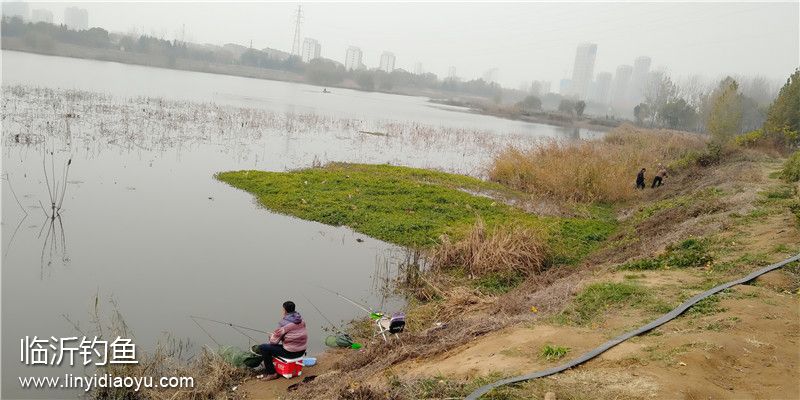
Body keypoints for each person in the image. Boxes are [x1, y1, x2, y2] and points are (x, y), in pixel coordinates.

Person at [255, 301, 308, 381]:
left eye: (283, 309)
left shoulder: (284, 324)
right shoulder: (301, 320)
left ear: (285, 311)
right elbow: (294, 334)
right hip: (302, 351)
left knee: (263, 347)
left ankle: (272, 373)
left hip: (291, 353)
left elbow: (273, 342)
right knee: (273, 347)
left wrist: (271, 336)